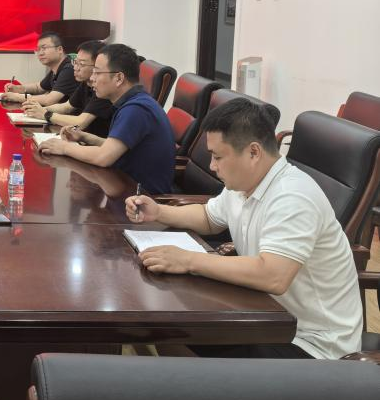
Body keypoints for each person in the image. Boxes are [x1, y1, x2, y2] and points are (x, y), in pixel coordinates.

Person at [125, 98, 362, 359]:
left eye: (218, 156)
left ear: (253, 152)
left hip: (311, 345)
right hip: (265, 315)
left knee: (179, 335)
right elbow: (209, 217)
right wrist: (159, 212)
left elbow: (273, 276)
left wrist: (188, 260)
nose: (212, 165)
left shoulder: (293, 197)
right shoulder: (243, 184)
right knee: (172, 329)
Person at [37, 43, 174, 193]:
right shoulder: (131, 102)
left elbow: (103, 157)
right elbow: (117, 148)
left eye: (97, 72)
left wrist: (64, 147)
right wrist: (84, 137)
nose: (92, 78)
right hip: (123, 185)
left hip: (142, 198)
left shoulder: (136, 109)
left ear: (119, 78)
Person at [22, 39, 113, 136]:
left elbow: (81, 122)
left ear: (97, 66)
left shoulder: (104, 89)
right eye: (75, 62)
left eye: (81, 64)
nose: (75, 68)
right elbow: (67, 107)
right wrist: (38, 109)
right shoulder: (86, 83)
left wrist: (45, 114)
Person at [2, 32, 77, 105]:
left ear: (59, 49)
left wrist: (17, 97)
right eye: (38, 49)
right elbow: (38, 88)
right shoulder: (56, 68)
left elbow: (49, 100)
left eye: (44, 48)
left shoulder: (69, 69)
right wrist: (17, 88)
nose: (40, 53)